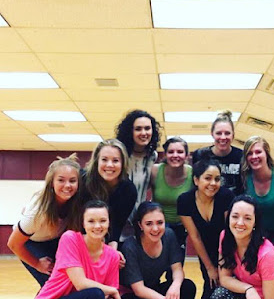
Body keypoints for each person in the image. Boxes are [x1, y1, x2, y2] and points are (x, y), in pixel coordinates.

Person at [7, 154, 81, 299]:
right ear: (51, 183)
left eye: (72, 181)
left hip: (54, 240)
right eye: (61, 180)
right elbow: (13, 244)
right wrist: (37, 264)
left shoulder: (76, 202)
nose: (67, 185)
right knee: (51, 286)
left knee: (63, 286)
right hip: (30, 243)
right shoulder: (37, 211)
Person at [119, 202, 196, 299]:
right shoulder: (130, 246)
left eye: (159, 223)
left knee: (187, 287)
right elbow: (139, 290)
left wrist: (175, 285)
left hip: (152, 290)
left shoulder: (169, 235)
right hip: (130, 297)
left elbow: (177, 269)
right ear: (140, 225)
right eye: (149, 224)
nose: (155, 229)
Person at [177, 159, 234, 299]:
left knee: (230, 288)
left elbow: (229, 233)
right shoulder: (185, 200)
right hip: (206, 251)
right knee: (211, 286)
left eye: (217, 179)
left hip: (229, 249)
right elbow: (194, 236)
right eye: (208, 178)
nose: (213, 183)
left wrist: (223, 264)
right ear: (196, 180)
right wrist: (210, 267)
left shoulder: (226, 196)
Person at [239, 136, 274, 270]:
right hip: (259, 235)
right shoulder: (245, 178)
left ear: (266, 154)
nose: (254, 156)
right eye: (250, 153)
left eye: (258, 152)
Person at [81, 138, 137, 250]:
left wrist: (112, 243)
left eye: (115, 160)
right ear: (97, 161)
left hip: (105, 236)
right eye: (104, 159)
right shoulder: (82, 181)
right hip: (78, 235)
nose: (110, 165)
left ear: (123, 163)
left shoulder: (129, 190)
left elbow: (117, 224)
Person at [116, 109, 160, 240]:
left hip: (139, 220)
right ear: (130, 131)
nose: (144, 133)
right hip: (117, 218)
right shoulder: (119, 154)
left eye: (147, 128)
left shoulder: (152, 156)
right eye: (138, 129)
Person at [151, 136, 193, 264]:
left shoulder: (193, 174)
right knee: (156, 263)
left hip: (181, 226)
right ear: (165, 154)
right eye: (171, 152)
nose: (175, 155)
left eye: (180, 152)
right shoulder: (155, 171)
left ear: (186, 155)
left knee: (176, 264)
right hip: (158, 225)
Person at [192, 110, 243, 194]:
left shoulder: (241, 156)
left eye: (227, 133)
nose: (223, 137)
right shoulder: (200, 155)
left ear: (233, 135)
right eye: (218, 133)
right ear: (212, 134)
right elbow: (196, 186)